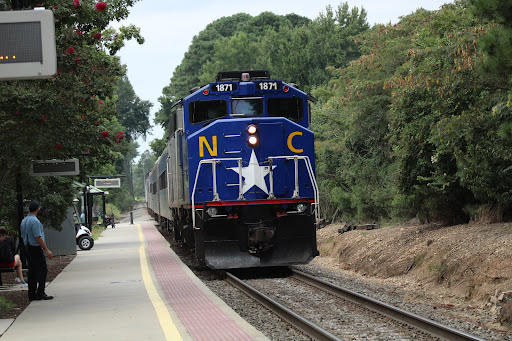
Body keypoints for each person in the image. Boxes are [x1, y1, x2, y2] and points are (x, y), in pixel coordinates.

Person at [20, 201, 54, 301]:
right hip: (34, 247)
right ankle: (40, 292)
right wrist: (46, 250)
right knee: (42, 270)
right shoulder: (35, 221)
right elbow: (38, 237)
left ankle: (31, 293)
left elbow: (22, 235)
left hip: (27, 247)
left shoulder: (24, 220)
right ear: (37, 209)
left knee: (32, 271)